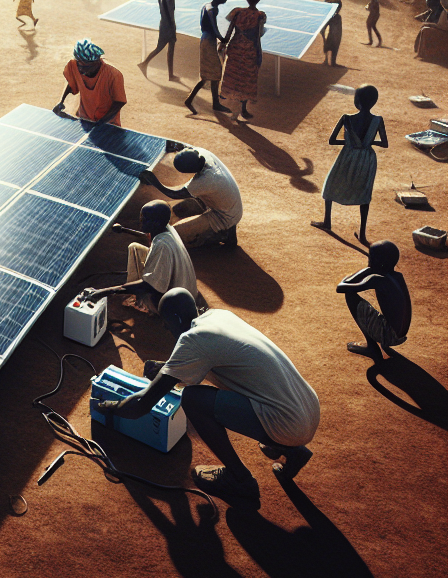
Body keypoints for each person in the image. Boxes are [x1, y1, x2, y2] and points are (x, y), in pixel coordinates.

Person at [99, 289, 319, 502]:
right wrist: (169, 369)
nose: (168, 331)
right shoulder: (219, 316)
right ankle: (293, 450)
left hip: (288, 424)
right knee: (237, 392)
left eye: (167, 326)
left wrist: (108, 405)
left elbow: (141, 405)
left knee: (194, 400)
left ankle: (240, 479)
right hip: (308, 407)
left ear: (175, 318)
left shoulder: (193, 341)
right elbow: (212, 356)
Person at [84, 202, 199, 315]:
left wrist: (102, 292)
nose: (140, 221)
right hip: (185, 292)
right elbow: (148, 236)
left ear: (155, 223)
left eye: (145, 219)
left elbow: (149, 286)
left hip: (176, 305)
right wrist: (124, 230)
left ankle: (142, 303)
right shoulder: (166, 229)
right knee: (134, 248)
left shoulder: (162, 246)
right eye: (141, 217)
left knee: (146, 287)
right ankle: (138, 296)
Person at [311, 84, 388, 246]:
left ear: (357, 101)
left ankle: (327, 221)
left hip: (347, 155)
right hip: (367, 158)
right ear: (374, 102)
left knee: (331, 185)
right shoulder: (377, 120)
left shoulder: (347, 118)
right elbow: (384, 143)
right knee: (365, 193)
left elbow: (332, 140)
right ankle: (362, 234)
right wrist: (366, 143)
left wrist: (349, 142)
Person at [140, 147, 242, 247]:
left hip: (223, 216)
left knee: (175, 237)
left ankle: (223, 234)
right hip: (227, 205)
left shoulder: (207, 180)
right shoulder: (201, 152)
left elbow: (175, 194)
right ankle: (224, 227)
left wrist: (153, 181)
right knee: (180, 208)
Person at [336, 240, 411, 359]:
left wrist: (367, 269)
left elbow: (341, 287)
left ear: (377, 262)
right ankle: (382, 338)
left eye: (371, 257)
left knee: (350, 296)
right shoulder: (398, 276)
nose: (368, 259)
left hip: (390, 336)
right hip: (401, 334)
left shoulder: (377, 279)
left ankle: (372, 347)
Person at [220, 0, 266, 121]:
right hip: (249, 51)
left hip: (235, 48)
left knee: (233, 75)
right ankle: (243, 109)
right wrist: (259, 54)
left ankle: (228, 100)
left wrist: (224, 43)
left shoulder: (237, 12)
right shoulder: (260, 16)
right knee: (247, 79)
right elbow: (258, 37)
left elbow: (229, 31)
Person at [54, 39, 126, 125]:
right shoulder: (74, 65)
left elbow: (119, 102)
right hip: (84, 118)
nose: (81, 69)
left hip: (108, 123)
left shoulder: (113, 75)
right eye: (79, 65)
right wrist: (61, 101)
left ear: (97, 62)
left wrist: (101, 122)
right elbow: (71, 83)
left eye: (86, 66)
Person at [184, 0, 230, 115]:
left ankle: (193, 100)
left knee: (209, 74)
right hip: (209, 41)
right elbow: (214, 27)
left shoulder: (206, 5)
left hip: (205, 39)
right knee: (214, 72)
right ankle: (213, 103)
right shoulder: (213, 10)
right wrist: (222, 38)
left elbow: (204, 24)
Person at [138, 0, 179, 81]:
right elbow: (169, 15)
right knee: (161, 48)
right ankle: (144, 63)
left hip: (166, 25)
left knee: (170, 49)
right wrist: (172, 30)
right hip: (167, 26)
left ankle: (171, 74)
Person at [321, 0, 343, 66]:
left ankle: (327, 61)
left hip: (332, 34)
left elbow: (324, 26)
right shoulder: (336, 17)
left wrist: (323, 33)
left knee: (328, 46)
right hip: (334, 34)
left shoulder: (332, 16)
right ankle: (331, 62)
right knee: (333, 47)